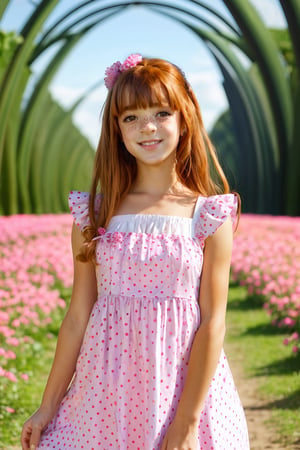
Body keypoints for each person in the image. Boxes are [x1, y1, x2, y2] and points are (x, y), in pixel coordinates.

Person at [21, 54, 249, 450]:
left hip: (182, 393)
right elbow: (78, 316)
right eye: (131, 117)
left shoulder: (208, 215)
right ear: (118, 131)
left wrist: (187, 424)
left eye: (162, 112)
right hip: (103, 395)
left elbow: (213, 322)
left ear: (184, 118)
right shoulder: (94, 214)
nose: (147, 127)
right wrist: (46, 406)